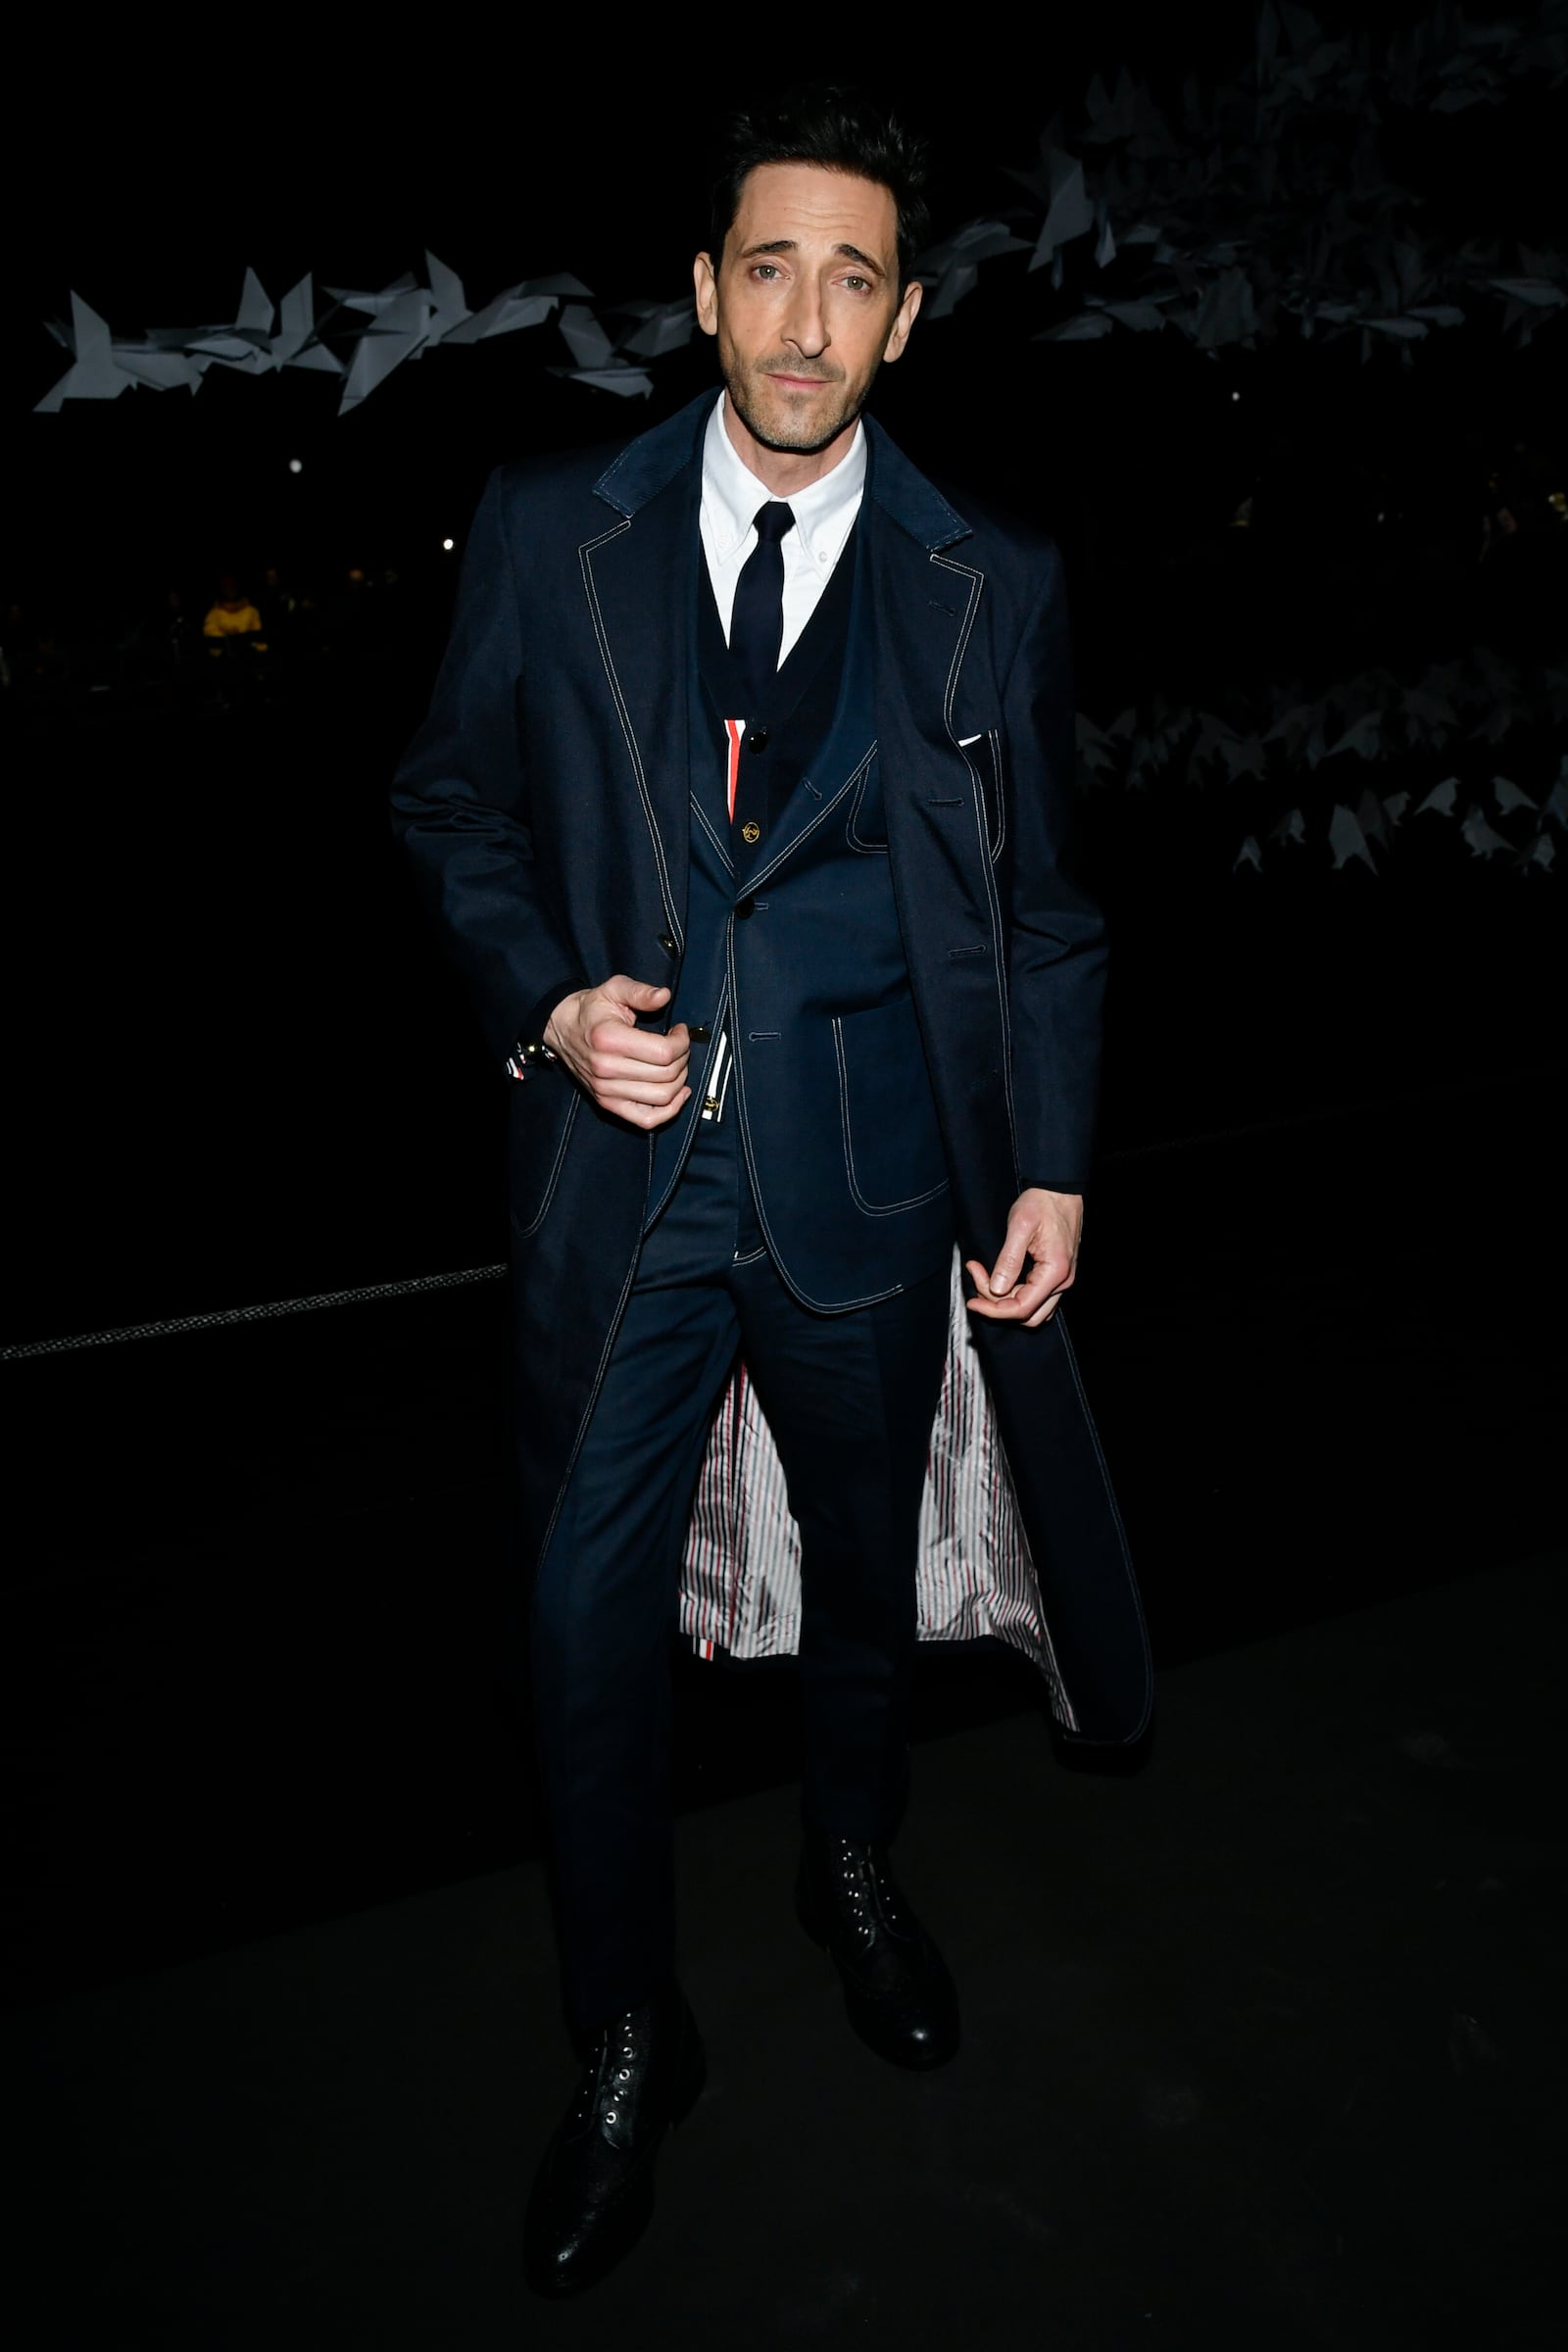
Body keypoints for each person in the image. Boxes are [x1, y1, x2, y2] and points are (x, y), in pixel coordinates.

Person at [392, 84, 1150, 2298]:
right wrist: (544, 1009)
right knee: (571, 1630)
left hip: (865, 1183)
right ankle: (626, 2027)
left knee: (850, 1574)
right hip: (611, 1202)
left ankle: (847, 1859)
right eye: (767, 267)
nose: (804, 318)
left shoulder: (983, 577)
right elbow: (448, 808)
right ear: (702, 294)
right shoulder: (555, 527)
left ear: (902, 320)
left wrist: (1060, 1166)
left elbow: (1045, 909)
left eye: (852, 276)